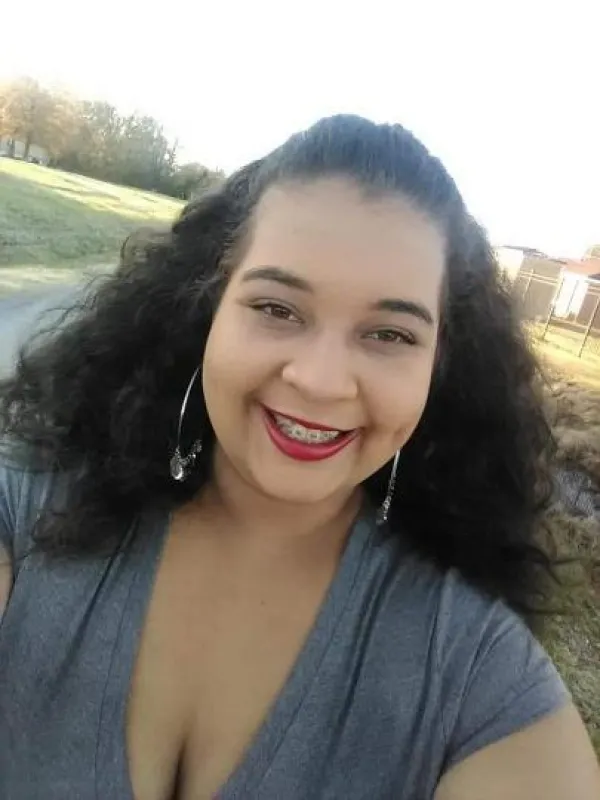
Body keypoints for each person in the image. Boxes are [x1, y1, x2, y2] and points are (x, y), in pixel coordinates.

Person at [0, 115, 598, 800]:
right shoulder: (25, 508)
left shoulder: (474, 674)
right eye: (278, 308)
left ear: (441, 368)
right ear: (208, 309)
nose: (319, 381)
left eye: (389, 334)